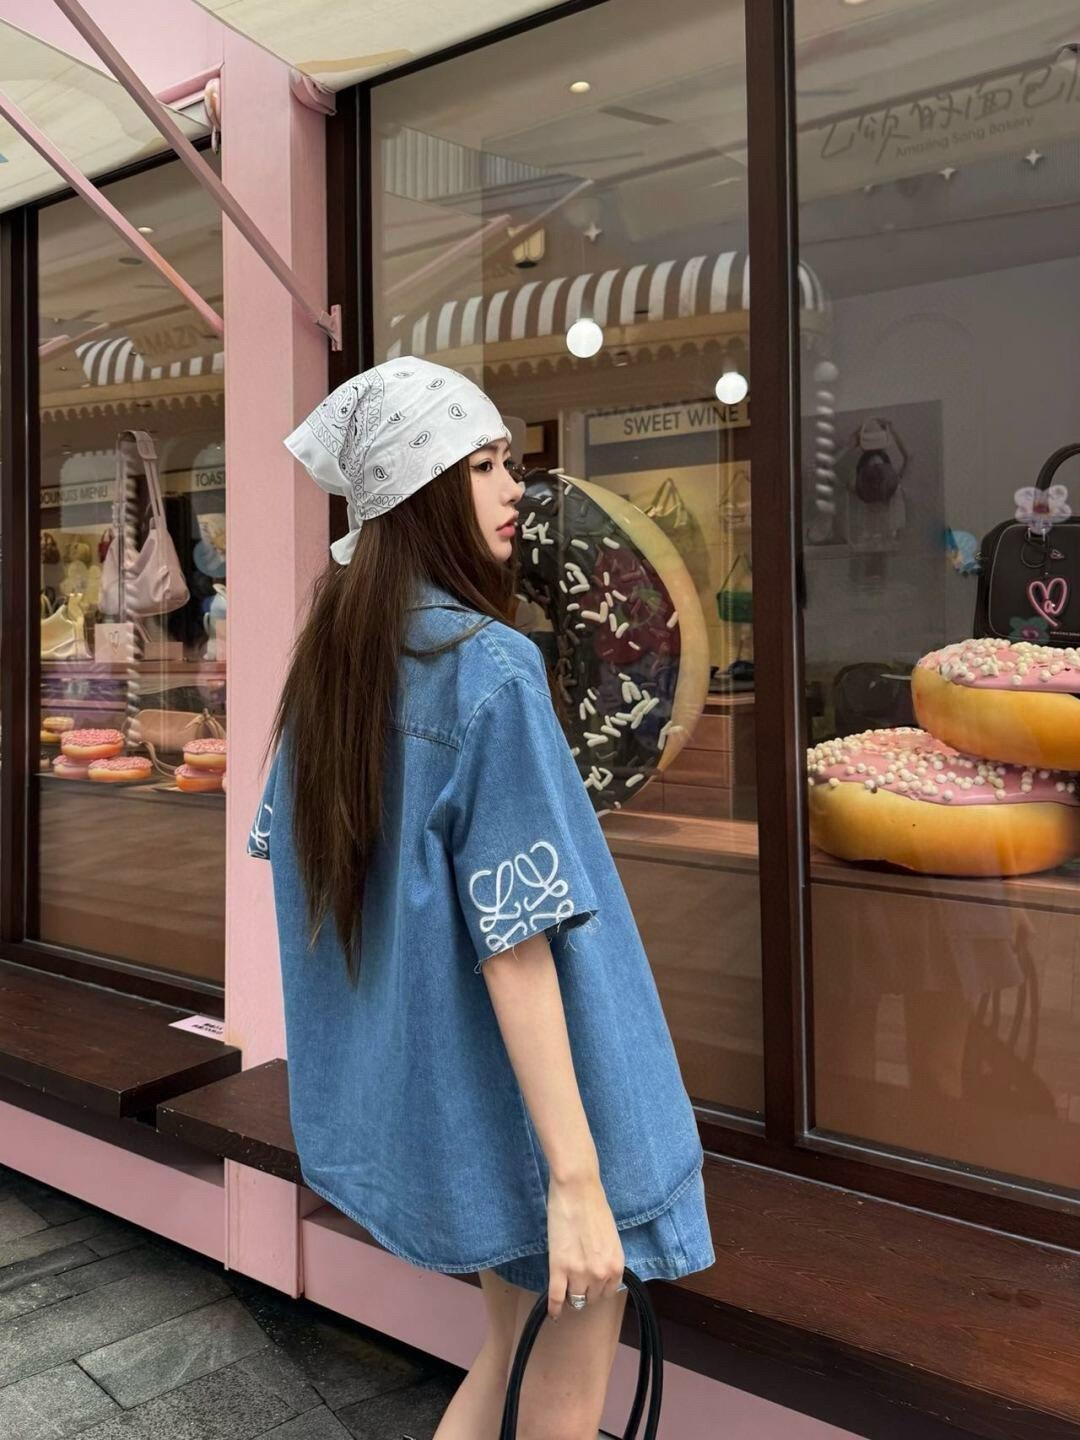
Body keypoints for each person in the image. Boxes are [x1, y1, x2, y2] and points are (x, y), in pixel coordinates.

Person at [248, 357, 714, 1436]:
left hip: (451, 1109)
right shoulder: (489, 668)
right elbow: (517, 941)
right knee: (556, 1383)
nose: (516, 488)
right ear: (418, 487)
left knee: (506, 1353)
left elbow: (308, 881)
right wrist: (578, 1180)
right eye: (485, 465)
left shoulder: (336, 662)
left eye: (511, 462)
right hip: (543, 1109)